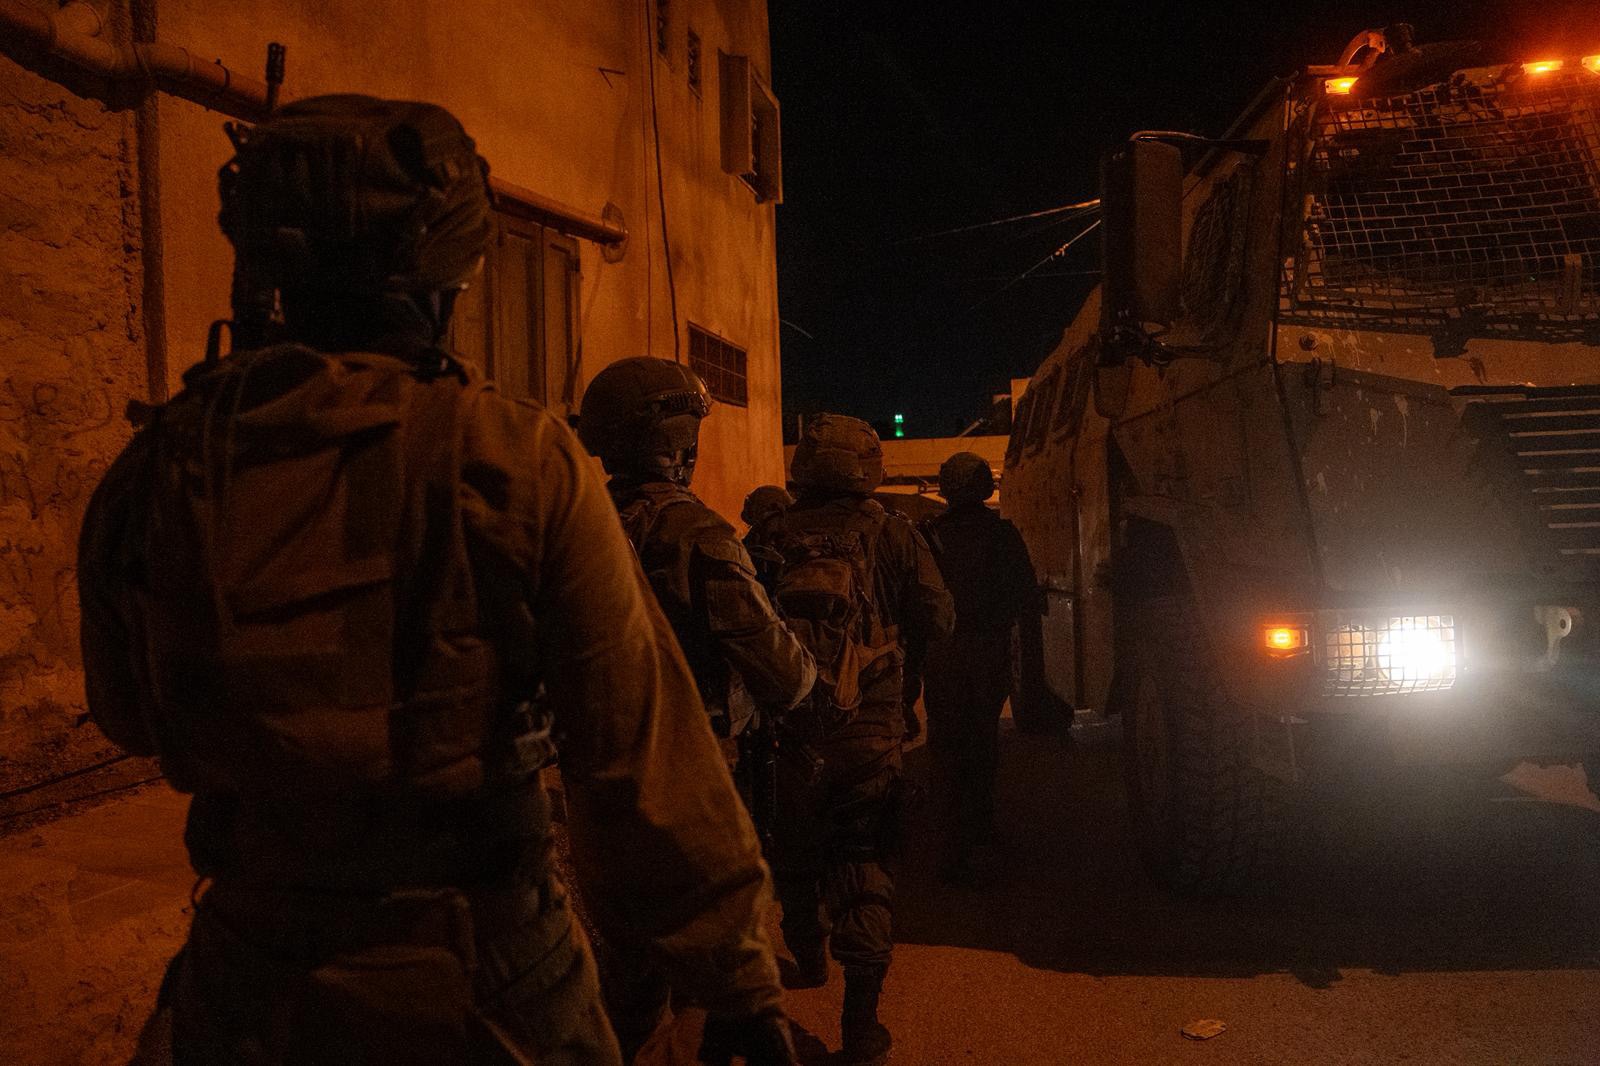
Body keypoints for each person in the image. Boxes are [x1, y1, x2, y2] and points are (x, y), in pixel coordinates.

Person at [77, 95, 793, 1066]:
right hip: (484, 979)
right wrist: (738, 979)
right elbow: (638, 757)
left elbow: (126, 714)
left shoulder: (161, 461)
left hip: (247, 978)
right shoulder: (512, 456)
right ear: (448, 268)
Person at [576, 358, 815, 1058]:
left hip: (597, 782)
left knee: (627, 974)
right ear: (677, 442)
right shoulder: (698, 534)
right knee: (709, 977)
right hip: (696, 776)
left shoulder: (581, 526)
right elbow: (784, 675)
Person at [752, 414, 953, 1066]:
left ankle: (807, 954)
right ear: (868, 466)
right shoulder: (894, 533)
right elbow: (939, 617)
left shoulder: (770, 535)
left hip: (790, 727)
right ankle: (861, 1030)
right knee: (864, 861)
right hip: (870, 727)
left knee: (794, 843)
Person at [920, 451, 1042, 883]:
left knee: (945, 745)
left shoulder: (929, 536)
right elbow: (1026, 595)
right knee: (982, 742)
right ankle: (979, 833)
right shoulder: (1001, 534)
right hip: (988, 649)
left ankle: (948, 842)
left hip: (943, 652)